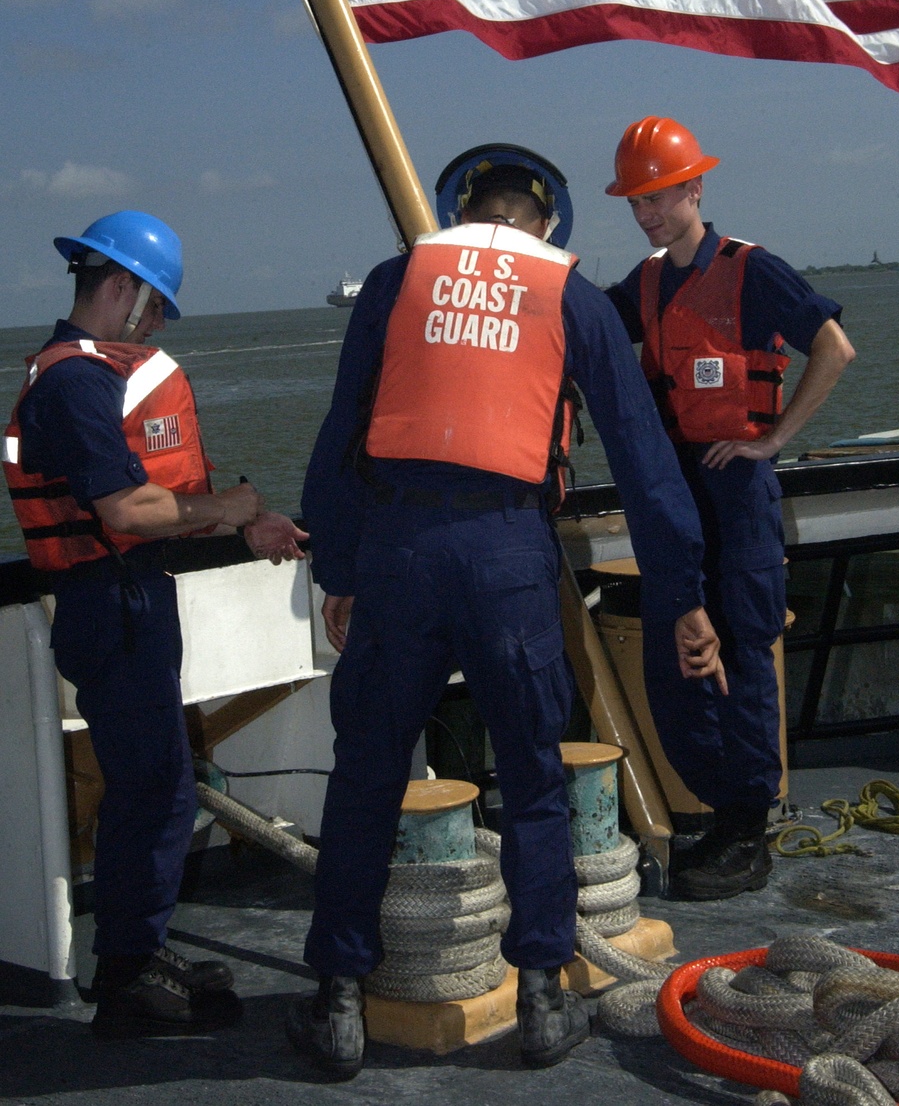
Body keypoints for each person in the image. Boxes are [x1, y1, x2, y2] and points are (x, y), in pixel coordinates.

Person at [292, 145, 722, 1078]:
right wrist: (683, 597)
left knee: (365, 773)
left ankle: (335, 1004)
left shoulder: (397, 279)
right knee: (529, 777)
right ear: (546, 222)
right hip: (506, 558)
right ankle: (538, 995)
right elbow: (646, 467)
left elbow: (339, 437)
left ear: (459, 211)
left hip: (397, 553)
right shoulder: (571, 292)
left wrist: (339, 570)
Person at [2, 211, 307, 1036]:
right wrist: (230, 503)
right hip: (115, 609)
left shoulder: (83, 376)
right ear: (122, 290)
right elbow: (128, 507)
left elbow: (153, 509)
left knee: (156, 787)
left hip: (127, 603)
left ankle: (136, 956)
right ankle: (130, 977)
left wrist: (249, 525)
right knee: (158, 792)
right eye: (158, 304)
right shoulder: (74, 382)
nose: (162, 323)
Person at [605, 116, 855, 901]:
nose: (646, 214)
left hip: (737, 491)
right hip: (674, 495)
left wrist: (772, 438)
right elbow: (581, 338)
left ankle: (749, 829)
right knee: (681, 654)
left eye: (658, 196)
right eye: (635, 201)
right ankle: (720, 809)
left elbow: (834, 347)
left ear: (694, 188)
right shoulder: (641, 286)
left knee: (744, 654)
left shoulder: (752, 270)